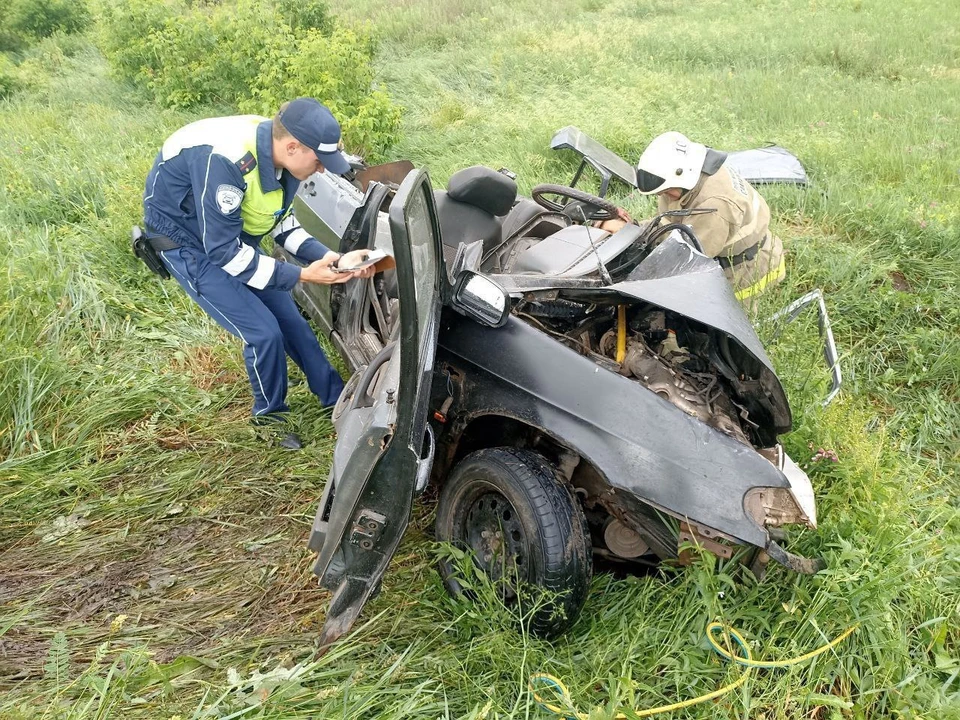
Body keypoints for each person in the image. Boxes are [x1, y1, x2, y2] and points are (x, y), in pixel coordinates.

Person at [142, 97, 376, 449]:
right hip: (186, 241)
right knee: (264, 333)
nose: (322, 170)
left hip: (226, 234)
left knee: (291, 321)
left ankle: (335, 397)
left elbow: (282, 223)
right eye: (319, 161)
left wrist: (333, 257)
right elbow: (221, 251)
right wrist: (301, 276)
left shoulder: (286, 162)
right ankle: (269, 419)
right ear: (293, 146)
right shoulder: (228, 161)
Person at [602, 131, 785, 301]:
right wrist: (632, 228)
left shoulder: (714, 206)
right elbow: (671, 224)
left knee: (714, 325)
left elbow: (687, 257)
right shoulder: (689, 177)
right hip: (717, 247)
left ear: (684, 177)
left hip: (745, 270)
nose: (662, 195)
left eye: (666, 191)